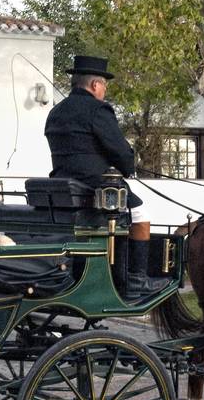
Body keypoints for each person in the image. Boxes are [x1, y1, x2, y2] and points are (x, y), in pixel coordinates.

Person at [45, 55, 167, 297]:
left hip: (62, 185)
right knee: (141, 215)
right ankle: (136, 281)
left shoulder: (55, 112)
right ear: (94, 85)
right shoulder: (98, 109)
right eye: (104, 85)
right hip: (96, 186)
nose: (104, 90)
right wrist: (127, 166)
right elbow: (118, 149)